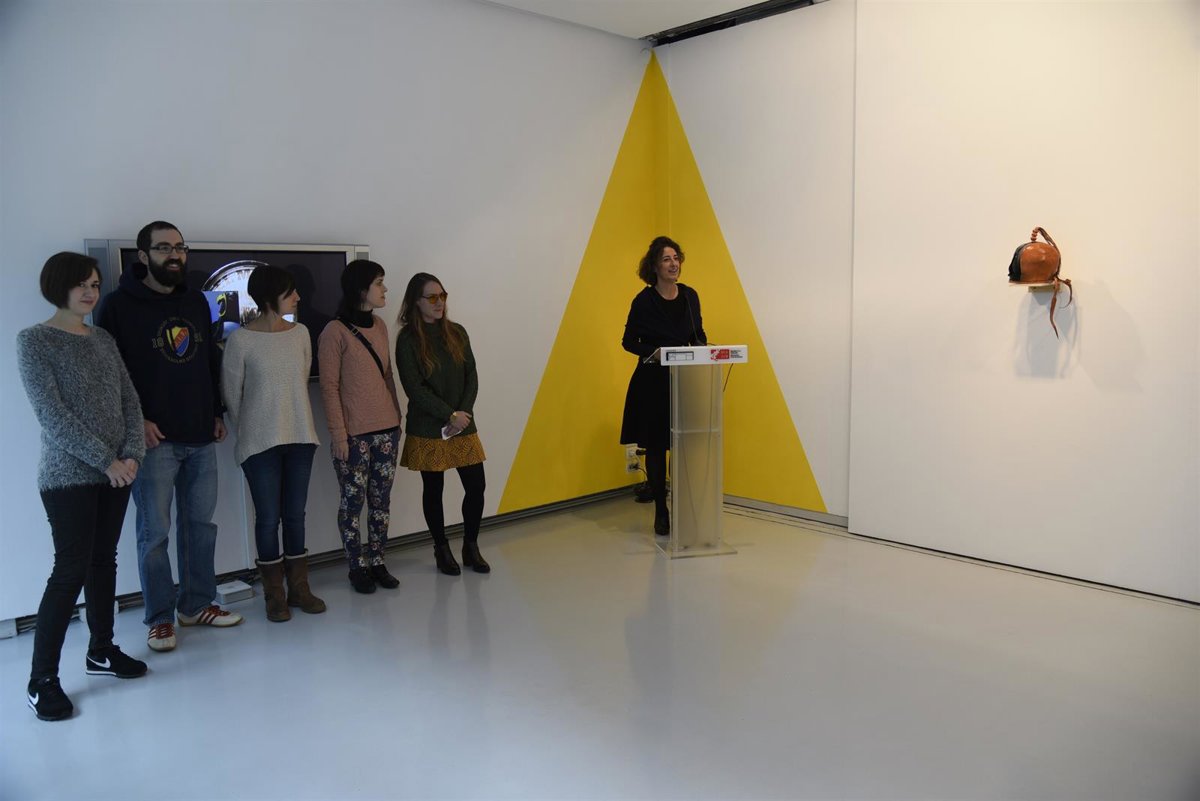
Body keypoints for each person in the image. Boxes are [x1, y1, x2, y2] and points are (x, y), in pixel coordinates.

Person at [95, 221, 242, 653]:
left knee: (201, 527)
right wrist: (136, 421)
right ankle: (159, 618)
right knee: (154, 532)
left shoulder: (196, 301)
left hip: (200, 434)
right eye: (164, 248)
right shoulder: (117, 306)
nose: (175, 254)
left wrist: (215, 411)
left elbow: (208, 360)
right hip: (152, 441)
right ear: (143, 256)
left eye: (180, 247)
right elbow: (110, 375)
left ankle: (196, 604)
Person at [17, 253, 148, 721]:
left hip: (118, 472)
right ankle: (41, 681)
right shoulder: (34, 341)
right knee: (69, 570)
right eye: (81, 285)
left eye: (95, 284)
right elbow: (51, 416)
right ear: (58, 287)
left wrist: (132, 455)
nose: (91, 292)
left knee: (102, 562)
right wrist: (107, 461)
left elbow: (130, 401)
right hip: (68, 475)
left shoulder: (103, 339)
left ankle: (101, 650)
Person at [222, 265, 325, 622]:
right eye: (290, 291)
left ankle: (299, 588)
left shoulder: (301, 334)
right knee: (268, 519)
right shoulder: (241, 341)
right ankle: (274, 595)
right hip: (259, 444)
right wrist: (254, 428)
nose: (298, 297)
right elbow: (231, 396)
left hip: (300, 436)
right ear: (270, 297)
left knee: (295, 515)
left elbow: (300, 378)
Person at [395, 273, 489, 575]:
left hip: (462, 423)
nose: (440, 302)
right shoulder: (407, 339)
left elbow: (471, 376)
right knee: (433, 489)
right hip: (428, 427)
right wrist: (450, 415)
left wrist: (463, 414)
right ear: (416, 302)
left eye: (443, 296)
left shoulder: (457, 332)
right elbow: (415, 388)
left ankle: (471, 546)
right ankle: (441, 548)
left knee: (476, 486)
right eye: (432, 297)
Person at [318, 260, 403, 594]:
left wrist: (397, 415)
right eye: (379, 283)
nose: (384, 289)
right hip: (354, 435)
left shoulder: (380, 325)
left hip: (387, 429)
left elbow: (387, 374)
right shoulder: (334, 331)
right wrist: (339, 435)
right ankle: (357, 566)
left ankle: (378, 561)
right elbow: (329, 387)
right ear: (361, 288)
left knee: (381, 502)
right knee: (352, 504)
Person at [619, 236, 707, 537]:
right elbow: (628, 341)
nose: (673, 264)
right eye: (666, 259)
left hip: (684, 380)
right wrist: (654, 352)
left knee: (682, 445)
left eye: (676, 258)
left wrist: (703, 349)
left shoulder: (690, 296)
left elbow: (698, 334)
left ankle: (684, 505)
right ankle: (661, 509)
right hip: (652, 382)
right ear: (655, 266)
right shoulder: (643, 301)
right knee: (657, 446)